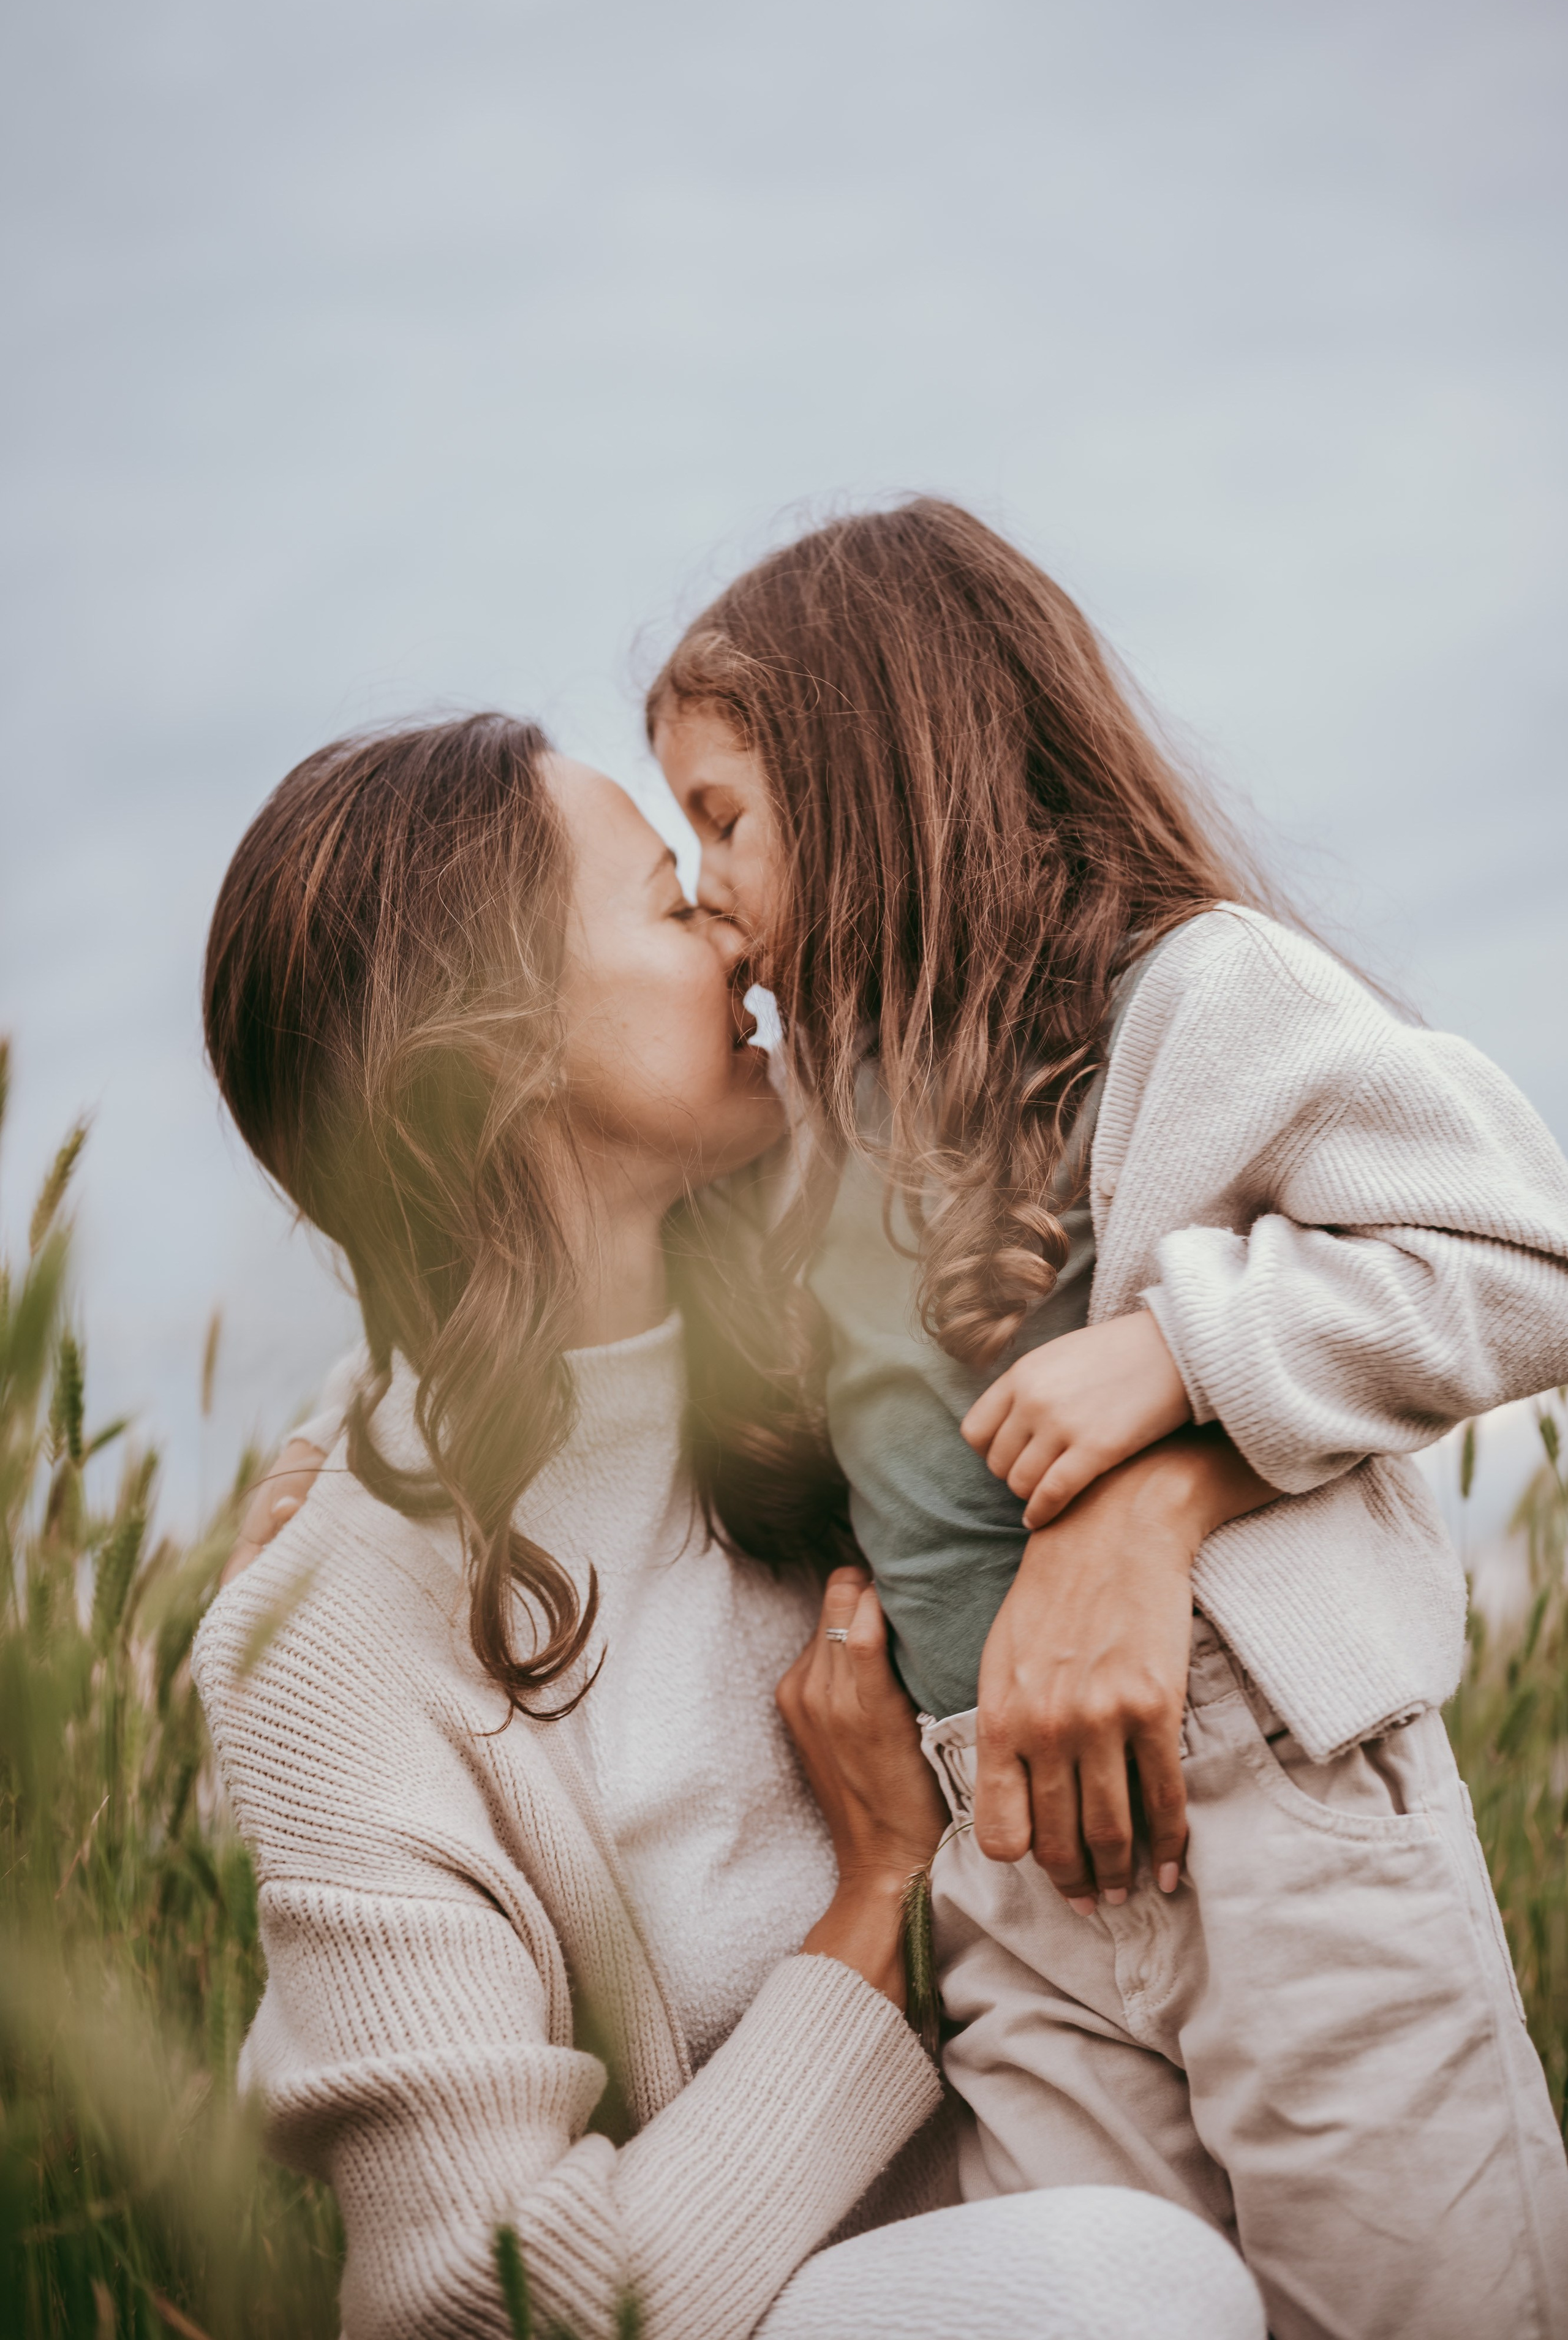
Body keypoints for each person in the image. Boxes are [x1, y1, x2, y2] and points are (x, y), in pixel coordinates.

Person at [196, 714, 1267, 2340]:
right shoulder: (332, 1641)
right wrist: (875, 1899)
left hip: (1121, 2155)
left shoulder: (863, 1281)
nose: (745, 937)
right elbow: (493, 2310)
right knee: (1135, 2289)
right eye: (665, 902)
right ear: (496, 1055)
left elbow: (1352, 1322)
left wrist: (1156, 1508)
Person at [647, 496, 1568, 2340]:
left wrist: (1182, 1352)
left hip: (1280, 1814)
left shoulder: (1186, 997)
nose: (699, 885)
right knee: (1111, 2296)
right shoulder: (811, 1138)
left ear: (880, 770)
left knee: (1421, 2298)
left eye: (722, 818)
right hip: (1016, 1880)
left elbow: (1520, 1249)